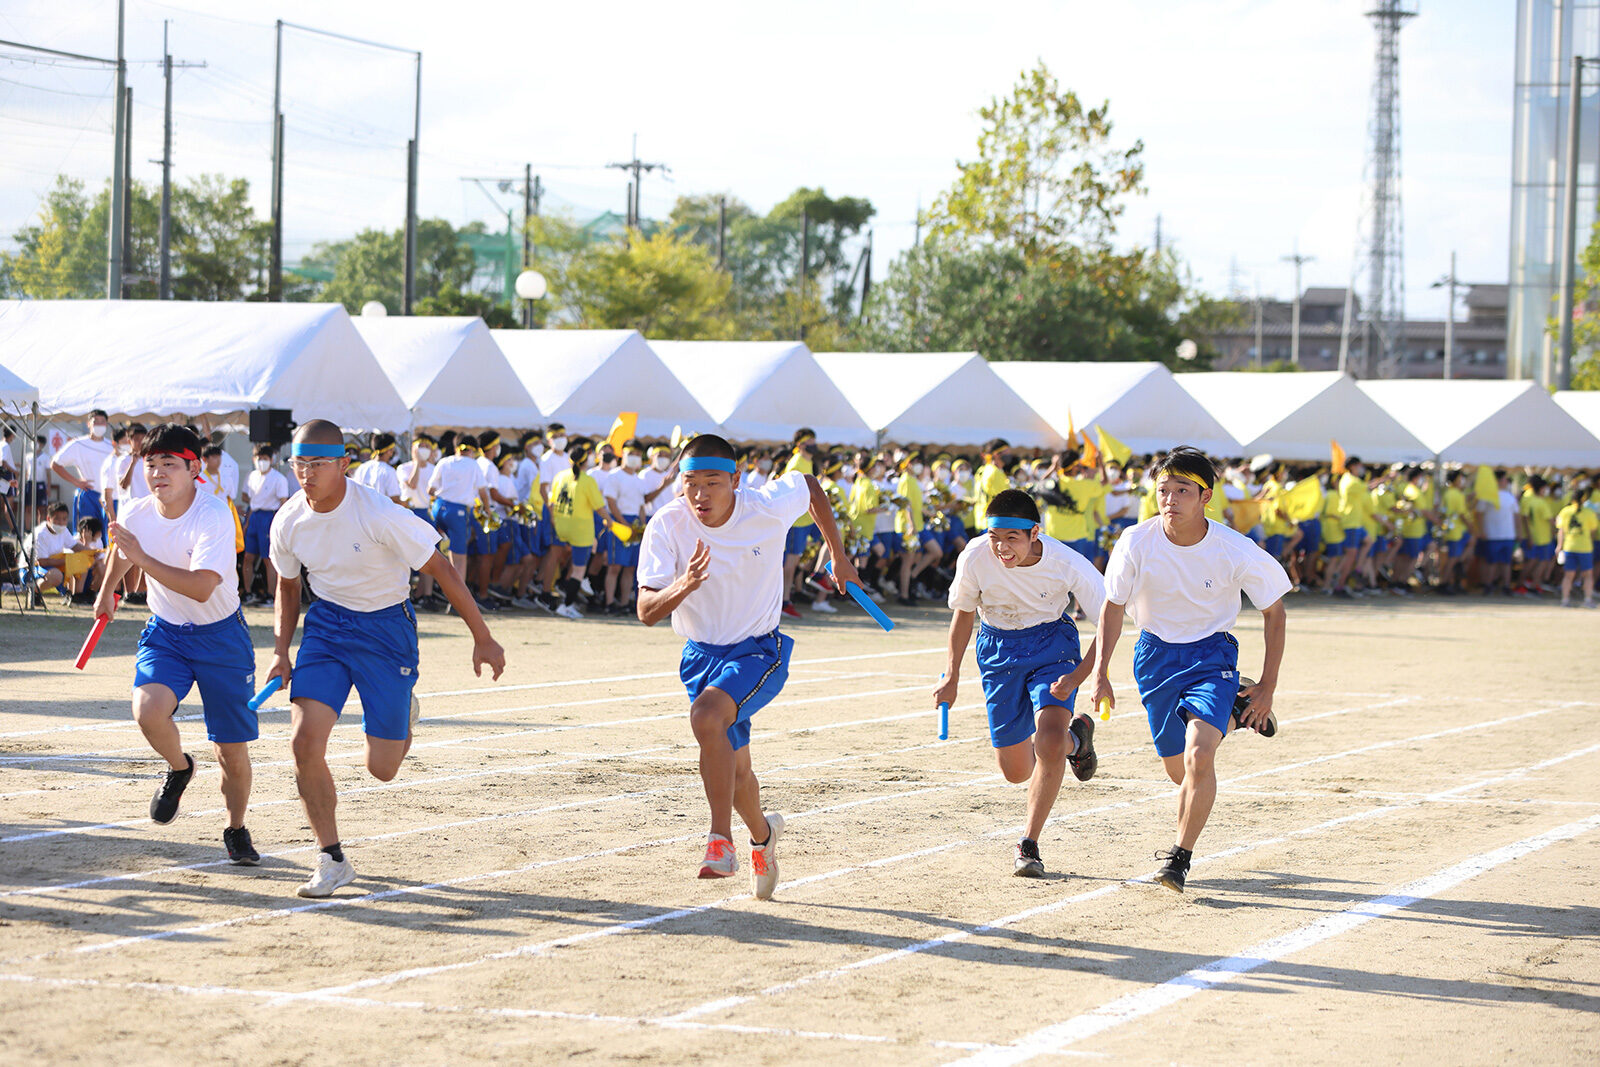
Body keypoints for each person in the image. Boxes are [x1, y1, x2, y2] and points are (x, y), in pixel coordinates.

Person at [265, 420, 506, 898]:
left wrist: (483, 636)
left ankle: (404, 711)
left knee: (383, 768)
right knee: (304, 741)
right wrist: (279, 651)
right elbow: (287, 586)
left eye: (318, 464)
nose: (307, 474)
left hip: (385, 630)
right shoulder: (288, 520)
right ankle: (331, 858)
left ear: (344, 465)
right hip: (328, 628)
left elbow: (441, 569)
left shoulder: (379, 513)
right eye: (299, 464)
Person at [636, 433, 861, 900]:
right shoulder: (667, 523)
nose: (700, 494)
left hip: (759, 650)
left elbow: (812, 487)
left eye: (713, 483)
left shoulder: (765, 505)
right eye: (690, 482)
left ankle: (721, 841)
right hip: (701, 657)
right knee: (736, 773)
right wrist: (684, 585)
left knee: (706, 718)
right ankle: (764, 837)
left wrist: (837, 556)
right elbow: (647, 610)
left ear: (736, 481)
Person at [1089, 446, 1290, 894]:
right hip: (1155, 656)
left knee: (1201, 757)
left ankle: (1178, 859)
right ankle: (1238, 711)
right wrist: (1100, 671)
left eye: (1183, 490)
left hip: (1211, 657)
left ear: (1206, 497)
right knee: (1180, 772)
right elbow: (1113, 606)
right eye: (1163, 490)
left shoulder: (1235, 548)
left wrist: (1270, 687)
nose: (1170, 499)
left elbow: (1274, 612)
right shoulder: (1135, 541)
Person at [91, 423, 263, 866]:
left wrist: (144, 561)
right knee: (147, 711)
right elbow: (122, 549)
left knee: (230, 749)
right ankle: (181, 767)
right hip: (166, 632)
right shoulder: (137, 511)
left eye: (169, 463)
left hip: (221, 636)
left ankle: (236, 828)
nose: (158, 472)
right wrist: (108, 590)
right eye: (150, 464)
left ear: (193, 468)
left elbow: (203, 587)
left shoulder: (214, 514)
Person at [934, 489, 1105, 878]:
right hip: (997, 648)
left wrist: (1083, 675)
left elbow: (1108, 622)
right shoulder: (975, 556)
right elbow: (962, 615)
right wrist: (952, 674)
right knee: (1015, 771)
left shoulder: (1066, 562)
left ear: (1035, 533)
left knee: (1046, 739)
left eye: (1012, 539)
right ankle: (1077, 739)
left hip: (1051, 645)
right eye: (995, 538)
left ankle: (1029, 843)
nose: (1002, 548)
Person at [543, 438, 606, 620]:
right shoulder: (587, 480)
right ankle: (567, 604)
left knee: (577, 556)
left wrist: (556, 524)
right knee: (579, 570)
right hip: (580, 530)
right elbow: (600, 508)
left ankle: (567, 585)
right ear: (586, 461)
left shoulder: (560, 476)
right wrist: (609, 521)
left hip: (562, 526)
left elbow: (552, 503)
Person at [427, 433, 492, 585]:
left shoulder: (444, 461)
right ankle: (457, 596)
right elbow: (483, 492)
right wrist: (488, 510)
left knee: (435, 552)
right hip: (457, 512)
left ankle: (434, 589)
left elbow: (430, 490)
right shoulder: (473, 464)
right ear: (472, 451)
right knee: (459, 559)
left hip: (438, 508)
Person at [240, 445, 290, 606]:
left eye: (265, 459)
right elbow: (246, 496)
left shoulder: (278, 478)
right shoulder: (252, 476)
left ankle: (271, 594)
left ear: (271, 460)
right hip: (254, 515)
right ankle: (247, 592)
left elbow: (284, 502)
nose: (261, 461)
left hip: (269, 516)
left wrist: (277, 523)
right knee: (248, 556)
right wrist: (247, 520)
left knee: (268, 558)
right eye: (259, 458)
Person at [51, 409, 113, 531]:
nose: (99, 425)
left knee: (107, 535)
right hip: (89, 495)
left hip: (108, 497)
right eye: (96, 422)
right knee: (87, 534)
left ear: (106, 425)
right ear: (88, 424)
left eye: (102, 422)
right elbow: (55, 464)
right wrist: (76, 481)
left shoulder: (111, 446)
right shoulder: (78, 444)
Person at [1555, 485, 1597, 608]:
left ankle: (1565, 599)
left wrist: (1559, 546)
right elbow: (1592, 531)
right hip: (1585, 547)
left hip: (1569, 547)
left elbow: (1561, 531)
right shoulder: (1589, 512)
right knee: (1588, 575)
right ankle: (1588, 599)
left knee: (1568, 575)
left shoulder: (1565, 511)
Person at [353, 433, 404, 506]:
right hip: (380, 514)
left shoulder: (362, 467)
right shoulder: (388, 471)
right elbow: (394, 499)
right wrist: (405, 504)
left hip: (363, 512)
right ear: (389, 451)